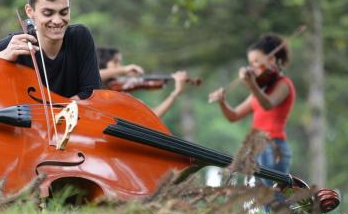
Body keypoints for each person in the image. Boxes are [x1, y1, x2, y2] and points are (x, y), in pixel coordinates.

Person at [0, 0, 101, 100]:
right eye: (48, 13)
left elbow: (92, 94)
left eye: (64, 12)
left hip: (75, 120)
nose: (57, 20)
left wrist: (57, 114)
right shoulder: (14, 45)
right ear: (30, 11)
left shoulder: (80, 37)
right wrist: (0, 58)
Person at [208, 34, 295, 188]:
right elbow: (233, 116)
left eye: (256, 61)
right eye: (250, 63)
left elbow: (268, 104)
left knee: (274, 198)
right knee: (263, 198)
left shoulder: (284, 84)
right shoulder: (260, 90)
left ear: (272, 60)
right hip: (256, 147)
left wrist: (252, 84)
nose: (252, 67)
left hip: (273, 146)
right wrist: (222, 102)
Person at [96, 47, 188, 118]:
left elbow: (153, 115)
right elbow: (95, 75)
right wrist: (124, 69)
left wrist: (175, 93)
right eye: (115, 62)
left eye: (120, 62)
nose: (119, 65)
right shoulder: (92, 89)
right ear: (102, 62)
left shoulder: (120, 92)